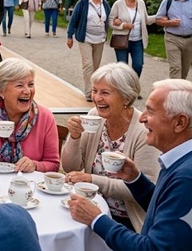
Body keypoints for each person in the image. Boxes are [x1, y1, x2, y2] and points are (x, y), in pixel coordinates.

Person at [68, 79, 192, 251]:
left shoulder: (191, 178)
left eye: (150, 112)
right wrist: (136, 180)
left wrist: (96, 219)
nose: (142, 118)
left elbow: (154, 249)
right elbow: (166, 207)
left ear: (180, 122)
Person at [61, 63, 160, 231]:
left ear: (127, 98)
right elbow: (70, 167)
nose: (97, 98)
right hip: (90, 207)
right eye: (94, 91)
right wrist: (75, 137)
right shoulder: (94, 117)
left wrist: (93, 180)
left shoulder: (143, 131)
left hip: (125, 221)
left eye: (105, 93)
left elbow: (144, 190)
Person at [0, 58, 60, 172]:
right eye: (19, 85)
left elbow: (53, 164)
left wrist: (35, 165)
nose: (27, 91)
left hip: (26, 186)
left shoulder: (45, 116)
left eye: (30, 84)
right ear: (1, 91)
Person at [67, 0, 111, 102]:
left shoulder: (105, 3)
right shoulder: (83, 3)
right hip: (85, 38)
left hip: (100, 38)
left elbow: (110, 18)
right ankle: (88, 92)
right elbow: (73, 19)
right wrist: (69, 36)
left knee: (96, 67)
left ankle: (95, 90)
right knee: (88, 65)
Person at [109, 0, 156, 78]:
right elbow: (110, 21)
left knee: (138, 65)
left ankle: (133, 88)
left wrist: (159, 17)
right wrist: (123, 26)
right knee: (123, 68)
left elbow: (146, 19)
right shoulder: (118, 4)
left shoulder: (141, 3)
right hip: (122, 40)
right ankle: (123, 90)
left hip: (137, 41)